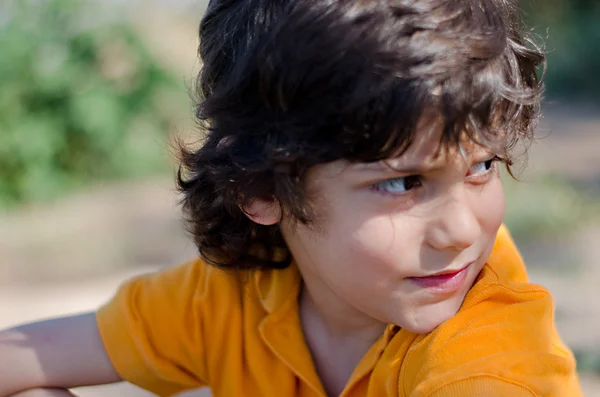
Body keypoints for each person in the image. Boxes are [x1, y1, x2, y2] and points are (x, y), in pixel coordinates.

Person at [0, 0, 584, 396]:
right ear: (259, 186)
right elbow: (28, 352)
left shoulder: (496, 353)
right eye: (404, 182)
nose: (460, 230)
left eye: (482, 166)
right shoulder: (233, 301)